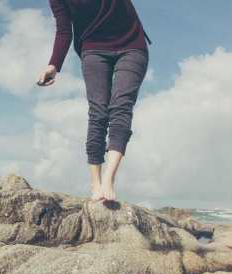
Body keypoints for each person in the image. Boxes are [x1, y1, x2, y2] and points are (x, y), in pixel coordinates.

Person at [37, 0, 150, 203]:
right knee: (98, 112)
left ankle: (108, 179)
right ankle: (95, 183)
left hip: (132, 45)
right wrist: (54, 64)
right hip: (93, 49)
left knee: (121, 106)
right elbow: (64, 30)